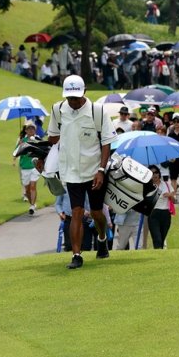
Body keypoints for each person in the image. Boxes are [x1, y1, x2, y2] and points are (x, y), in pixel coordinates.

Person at [45, 75, 115, 270]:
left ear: (84, 92)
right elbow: (52, 136)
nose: (73, 102)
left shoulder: (97, 111)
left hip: (94, 170)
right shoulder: (58, 110)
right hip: (71, 171)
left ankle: (102, 238)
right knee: (75, 211)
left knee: (95, 212)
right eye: (70, 98)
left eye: (76, 97)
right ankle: (77, 255)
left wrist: (101, 170)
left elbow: (107, 142)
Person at [15, 121, 40, 215]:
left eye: (32, 128)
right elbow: (16, 154)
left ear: (35, 130)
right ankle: (32, 203)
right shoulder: (22, 140)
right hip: (24, 167)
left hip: (35, 166)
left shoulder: (38, 139)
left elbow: (43, 151)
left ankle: (32, 206)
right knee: (27, 189)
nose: (31, 130)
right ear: (26, 130)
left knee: (33, 185)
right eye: (29, 129)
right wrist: (20, 145)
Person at [147, 165, 175, 249]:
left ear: (159, 173)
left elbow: (174, 200)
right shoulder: (147, 187)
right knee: (157, 239)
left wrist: (170, 195)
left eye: (156, 172)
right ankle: (157, 252)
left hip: (165, 214)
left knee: (162, 239)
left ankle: (160, 255)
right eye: (152, 173)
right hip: (153, 214)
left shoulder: (166, 184)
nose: (154, 175)